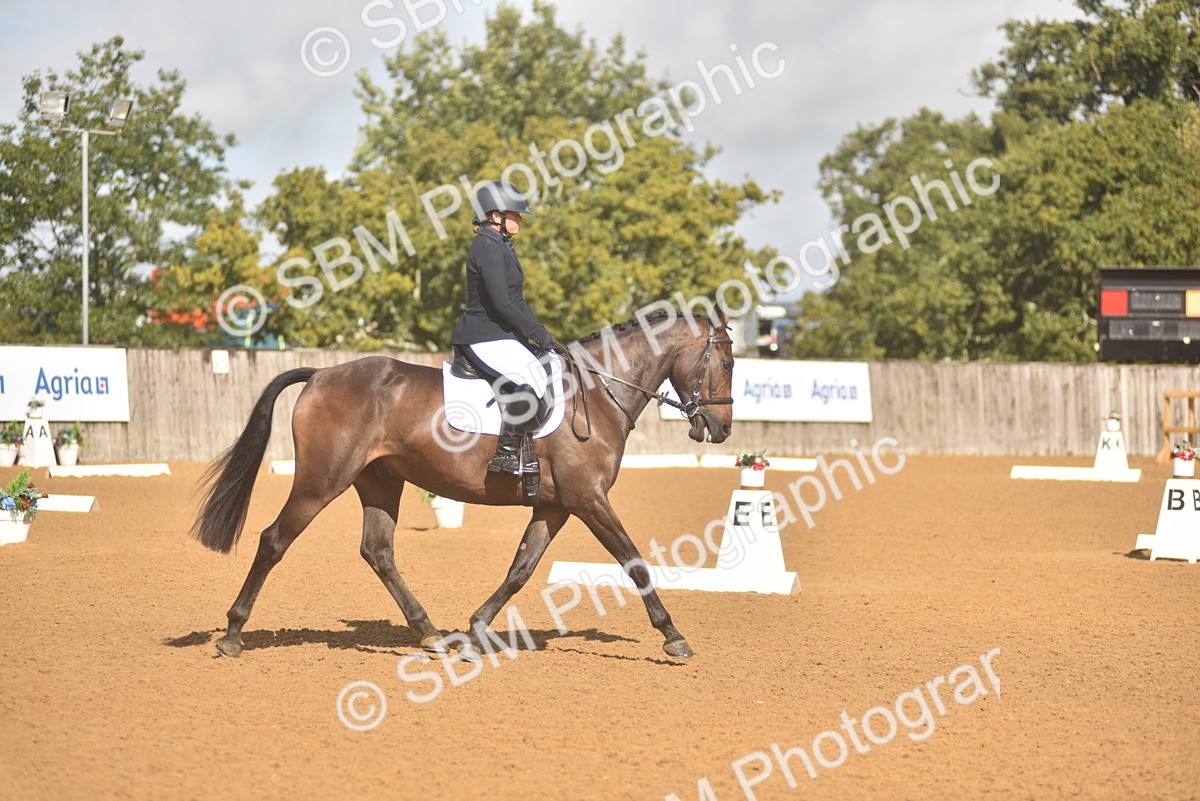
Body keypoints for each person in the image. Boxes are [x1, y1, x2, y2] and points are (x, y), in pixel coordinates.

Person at [451, 181, 560, 475]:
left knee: (547, 368)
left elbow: (517, 302)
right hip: (483, 336)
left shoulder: (501, 245)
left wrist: (543, 334)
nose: (521, 219)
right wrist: (537, 335)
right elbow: (502, 304)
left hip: (500, 335)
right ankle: (506, 454)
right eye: (516, 213)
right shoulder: (486, 246)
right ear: (495, 215)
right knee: (533, 383)